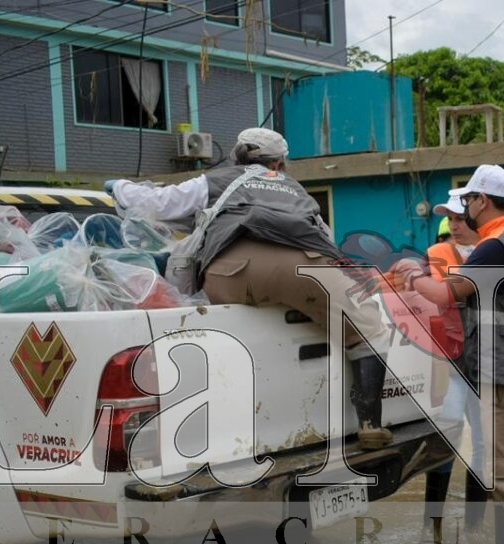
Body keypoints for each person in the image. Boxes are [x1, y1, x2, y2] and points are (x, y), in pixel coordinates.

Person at [106, 127, 395, 450]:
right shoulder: (294, 189)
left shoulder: (216, 180)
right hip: (301, 271)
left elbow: (156, 203)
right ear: (280, 163)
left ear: (236, 155)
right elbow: (325, 241)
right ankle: (370, 423)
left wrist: (119, 187)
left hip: (226, 273)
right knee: (367, 326)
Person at [394, 165, 504, 544]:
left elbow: (445, 292)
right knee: (503, 470)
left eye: (467, 201)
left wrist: (413, 275)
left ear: (482, 200)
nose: (462, 212)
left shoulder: (497, 245)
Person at [422, 191, 488, 544]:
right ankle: (432, 528)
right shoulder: (435, 254)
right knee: (445, 443)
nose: (454, 225)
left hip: (486, 368)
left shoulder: (493, 252)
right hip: (449, 365)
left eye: (460, 218)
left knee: (482, 446)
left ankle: (475, 528)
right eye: (450, 219)